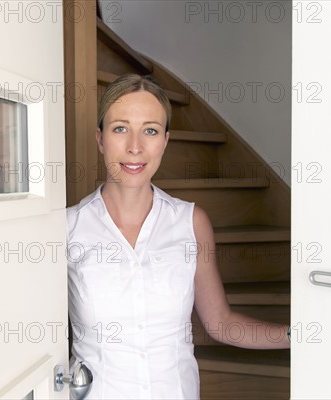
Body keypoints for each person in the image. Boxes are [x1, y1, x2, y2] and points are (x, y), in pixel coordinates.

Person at [67, 74, 290, 399]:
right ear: (100, 138)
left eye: (150, 130)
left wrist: (299, 336)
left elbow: (222, 323)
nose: (135, 146)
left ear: (165, 141)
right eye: (120, 128)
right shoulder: (67, 227)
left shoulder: (191, 222)